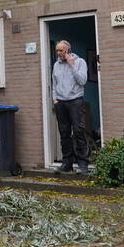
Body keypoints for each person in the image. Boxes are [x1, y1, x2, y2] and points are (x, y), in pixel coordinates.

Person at [52, 40, 89, 174]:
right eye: (57, 50)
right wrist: (54, 99)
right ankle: (67, 162)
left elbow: (82, 81)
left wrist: (72, 65)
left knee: (78, 131)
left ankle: (83, 163)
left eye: (61, 50)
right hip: (60, 102)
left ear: (68, 50)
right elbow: (54, 83)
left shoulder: (80, 62)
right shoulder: (56, 65)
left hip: (75, 101)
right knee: (64, 133)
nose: (58, 53)